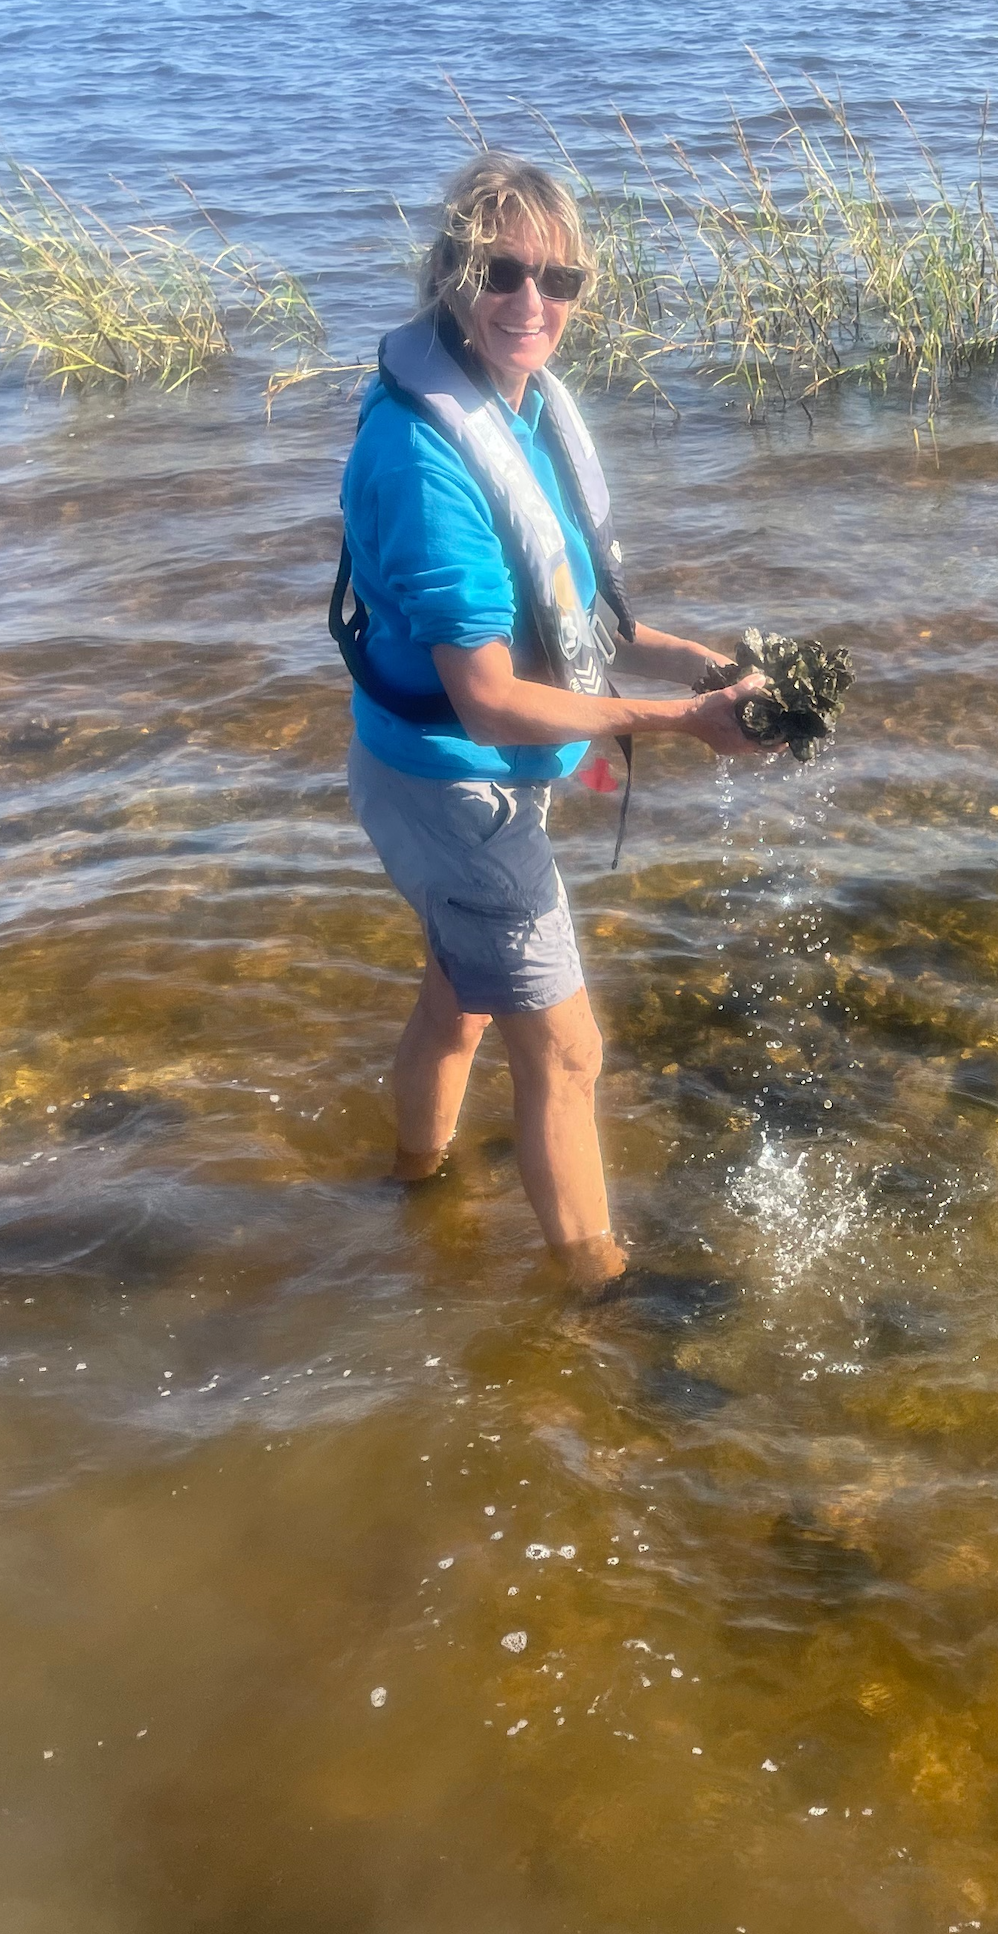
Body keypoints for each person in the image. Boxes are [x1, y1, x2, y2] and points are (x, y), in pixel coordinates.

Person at [336, 151, 770, 1293]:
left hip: (435, 775)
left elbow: (573, 624)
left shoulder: (512, 406)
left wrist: (713, 663)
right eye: (504, 271)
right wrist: (684, 719)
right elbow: (487, 694)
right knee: (567, 1052)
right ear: (449, 274)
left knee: (463, 999)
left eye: (560, 278)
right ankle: (604, 1298)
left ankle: (409, 1187)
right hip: (453, 784)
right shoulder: (428, 460)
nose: (535, 302)